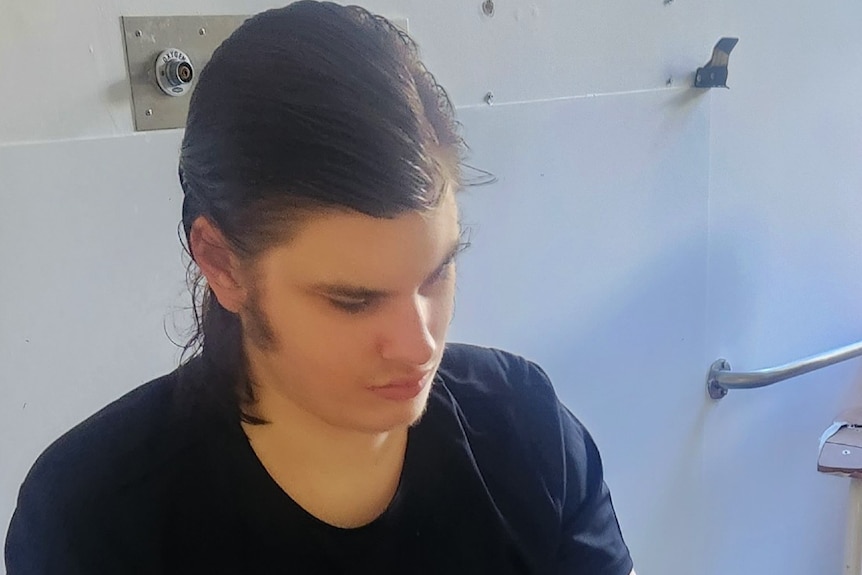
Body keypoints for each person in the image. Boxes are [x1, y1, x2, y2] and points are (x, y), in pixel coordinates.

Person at [4, 2, 634, 573]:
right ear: (222, 265)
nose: (419, 347)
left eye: (438, 271)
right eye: (353, 300)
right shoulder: (92, 519)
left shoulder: (528, 431)